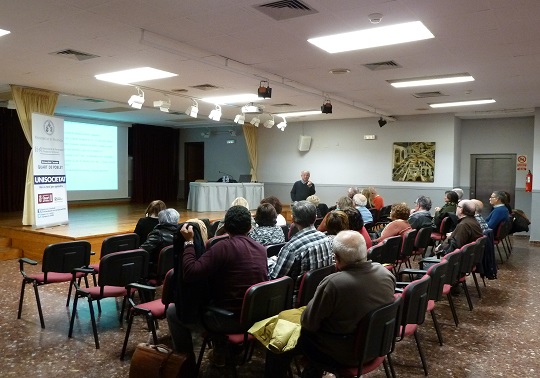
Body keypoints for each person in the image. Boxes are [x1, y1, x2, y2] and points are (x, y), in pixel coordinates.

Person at [166, 205, 268, 364]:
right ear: (249, 227)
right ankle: (224, 351)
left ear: (225, 227)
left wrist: (189, 243)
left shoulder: (222, 247)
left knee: (173, 312)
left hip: (229, 320)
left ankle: (185, 366)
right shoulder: (261, 249)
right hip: (255, 317)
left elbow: (190, 272)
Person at [299, 230, 396, 376]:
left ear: (336, 258)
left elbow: (309, 323)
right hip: (378, 345)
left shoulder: (334, 283)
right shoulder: (386, 273)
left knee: (294, 341)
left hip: (345, 354)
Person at [269, 201, 332, 299]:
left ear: (293, 219)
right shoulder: (326, 239)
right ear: (315, 218)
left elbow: (274, 278)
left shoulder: (292, 247)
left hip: (296, 301)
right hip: (320, 295)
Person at [139, 208, 179, 275]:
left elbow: (142, 252)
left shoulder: (157, 234)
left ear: (160, 220)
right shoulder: (183, 233)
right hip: (176, 270)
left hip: (157, 271)